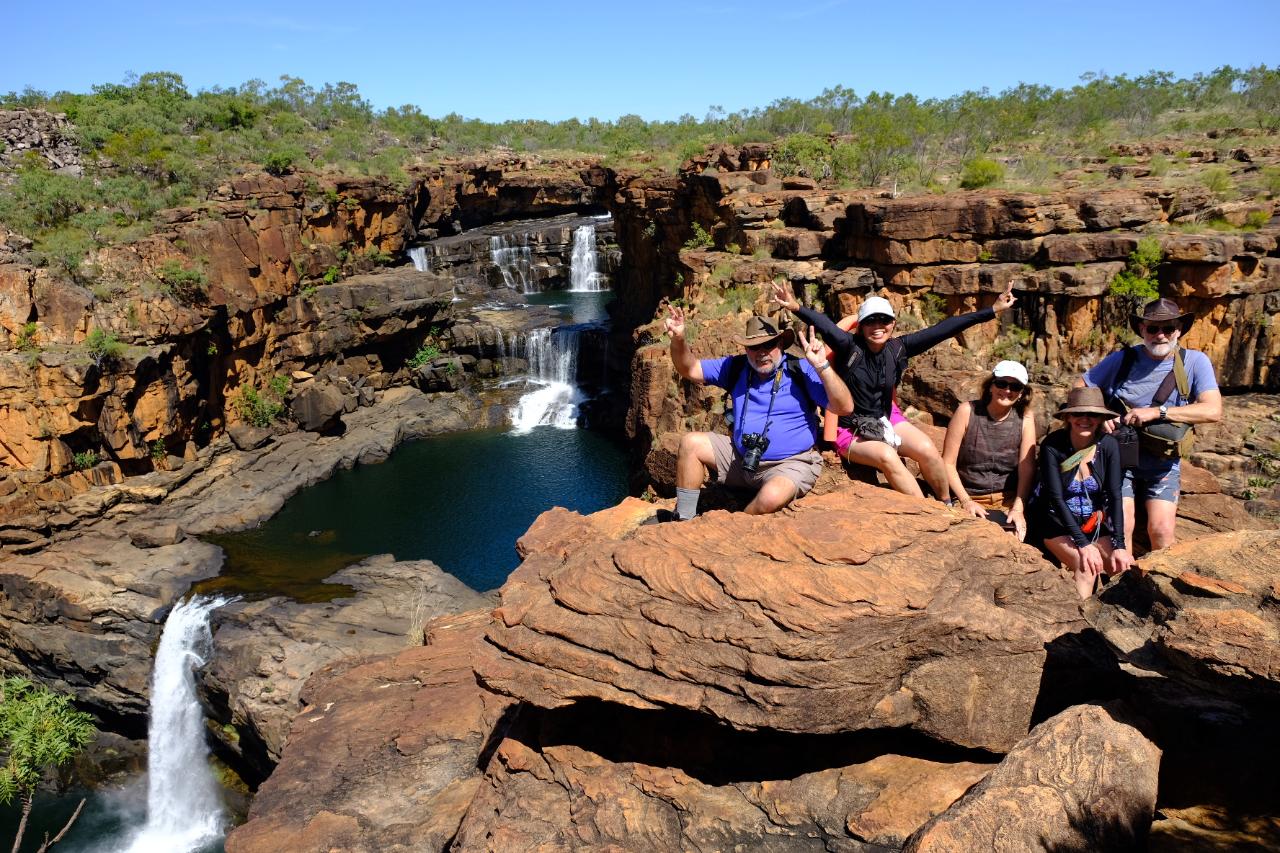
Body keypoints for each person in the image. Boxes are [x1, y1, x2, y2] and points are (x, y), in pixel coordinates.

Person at [771, 282, 1017, 503]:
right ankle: (927, 513)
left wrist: (992, 310)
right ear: (861, 326)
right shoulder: (849, 348)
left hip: (885, 418)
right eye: (870, 321)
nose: (877, 327)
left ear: (893, 324)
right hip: (849, 429)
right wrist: (795, 306)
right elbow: (825, 325)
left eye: (884, 321)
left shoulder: (899, 349)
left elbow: (945, 328)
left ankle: (945, 502)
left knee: (927, 449)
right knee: (888, 456)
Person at [661, 307, 853, 520]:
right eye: (754, 347)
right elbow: (690, 369)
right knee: (691, 443)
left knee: (772, 496)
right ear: (746, 349)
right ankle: (683, 518)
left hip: (789, 463)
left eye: (768, 344)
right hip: (742, 457)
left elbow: (844, 407)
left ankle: (734, 527)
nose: (761, 352)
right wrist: (679, 339)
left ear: (780, 343)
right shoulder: (736, 367)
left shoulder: (801, 369)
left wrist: (822, 366)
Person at [1078, 297, 1222, 551]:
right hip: (1118, 459)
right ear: (1142, 329)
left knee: (1162, 532)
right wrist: (1100, 417)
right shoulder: (1123, 359)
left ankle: (1156, 587)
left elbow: (1212, 410)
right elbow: (1080, 388)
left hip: (1162, 463)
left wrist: (1158, 412)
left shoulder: (1194, 362)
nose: (1161, 335)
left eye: (1169, 328)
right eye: (1153, 328)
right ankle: (1122, 589)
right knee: (1121, 530)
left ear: (1179, 330)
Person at [1039, 387, 1135, 599]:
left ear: (1101, 418)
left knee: (1122, 566)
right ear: (1068, 417)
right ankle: (1079, 627)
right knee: (1087, 567)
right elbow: (1056, 499)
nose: (1085, 419)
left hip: (1094, 523)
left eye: (1092, 414)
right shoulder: (1053, 446)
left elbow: (1114, 495)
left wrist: (1120, 545)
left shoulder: (1108, 445)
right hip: (1058, 525)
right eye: (1078, 413)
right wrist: (1082, 544)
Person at [942, 360, 1037, 540]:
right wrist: (965, 501)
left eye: (1015, 386)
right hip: (970, 497)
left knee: (1014, 541)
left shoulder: (1025, 418)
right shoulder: (966, 411)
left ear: (1022, 392)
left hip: (1007, 501)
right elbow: (947, 463)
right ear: (991, 385)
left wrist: (1018, 507)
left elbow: (1027, 468)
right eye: (1002, 383)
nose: (1007, 390)